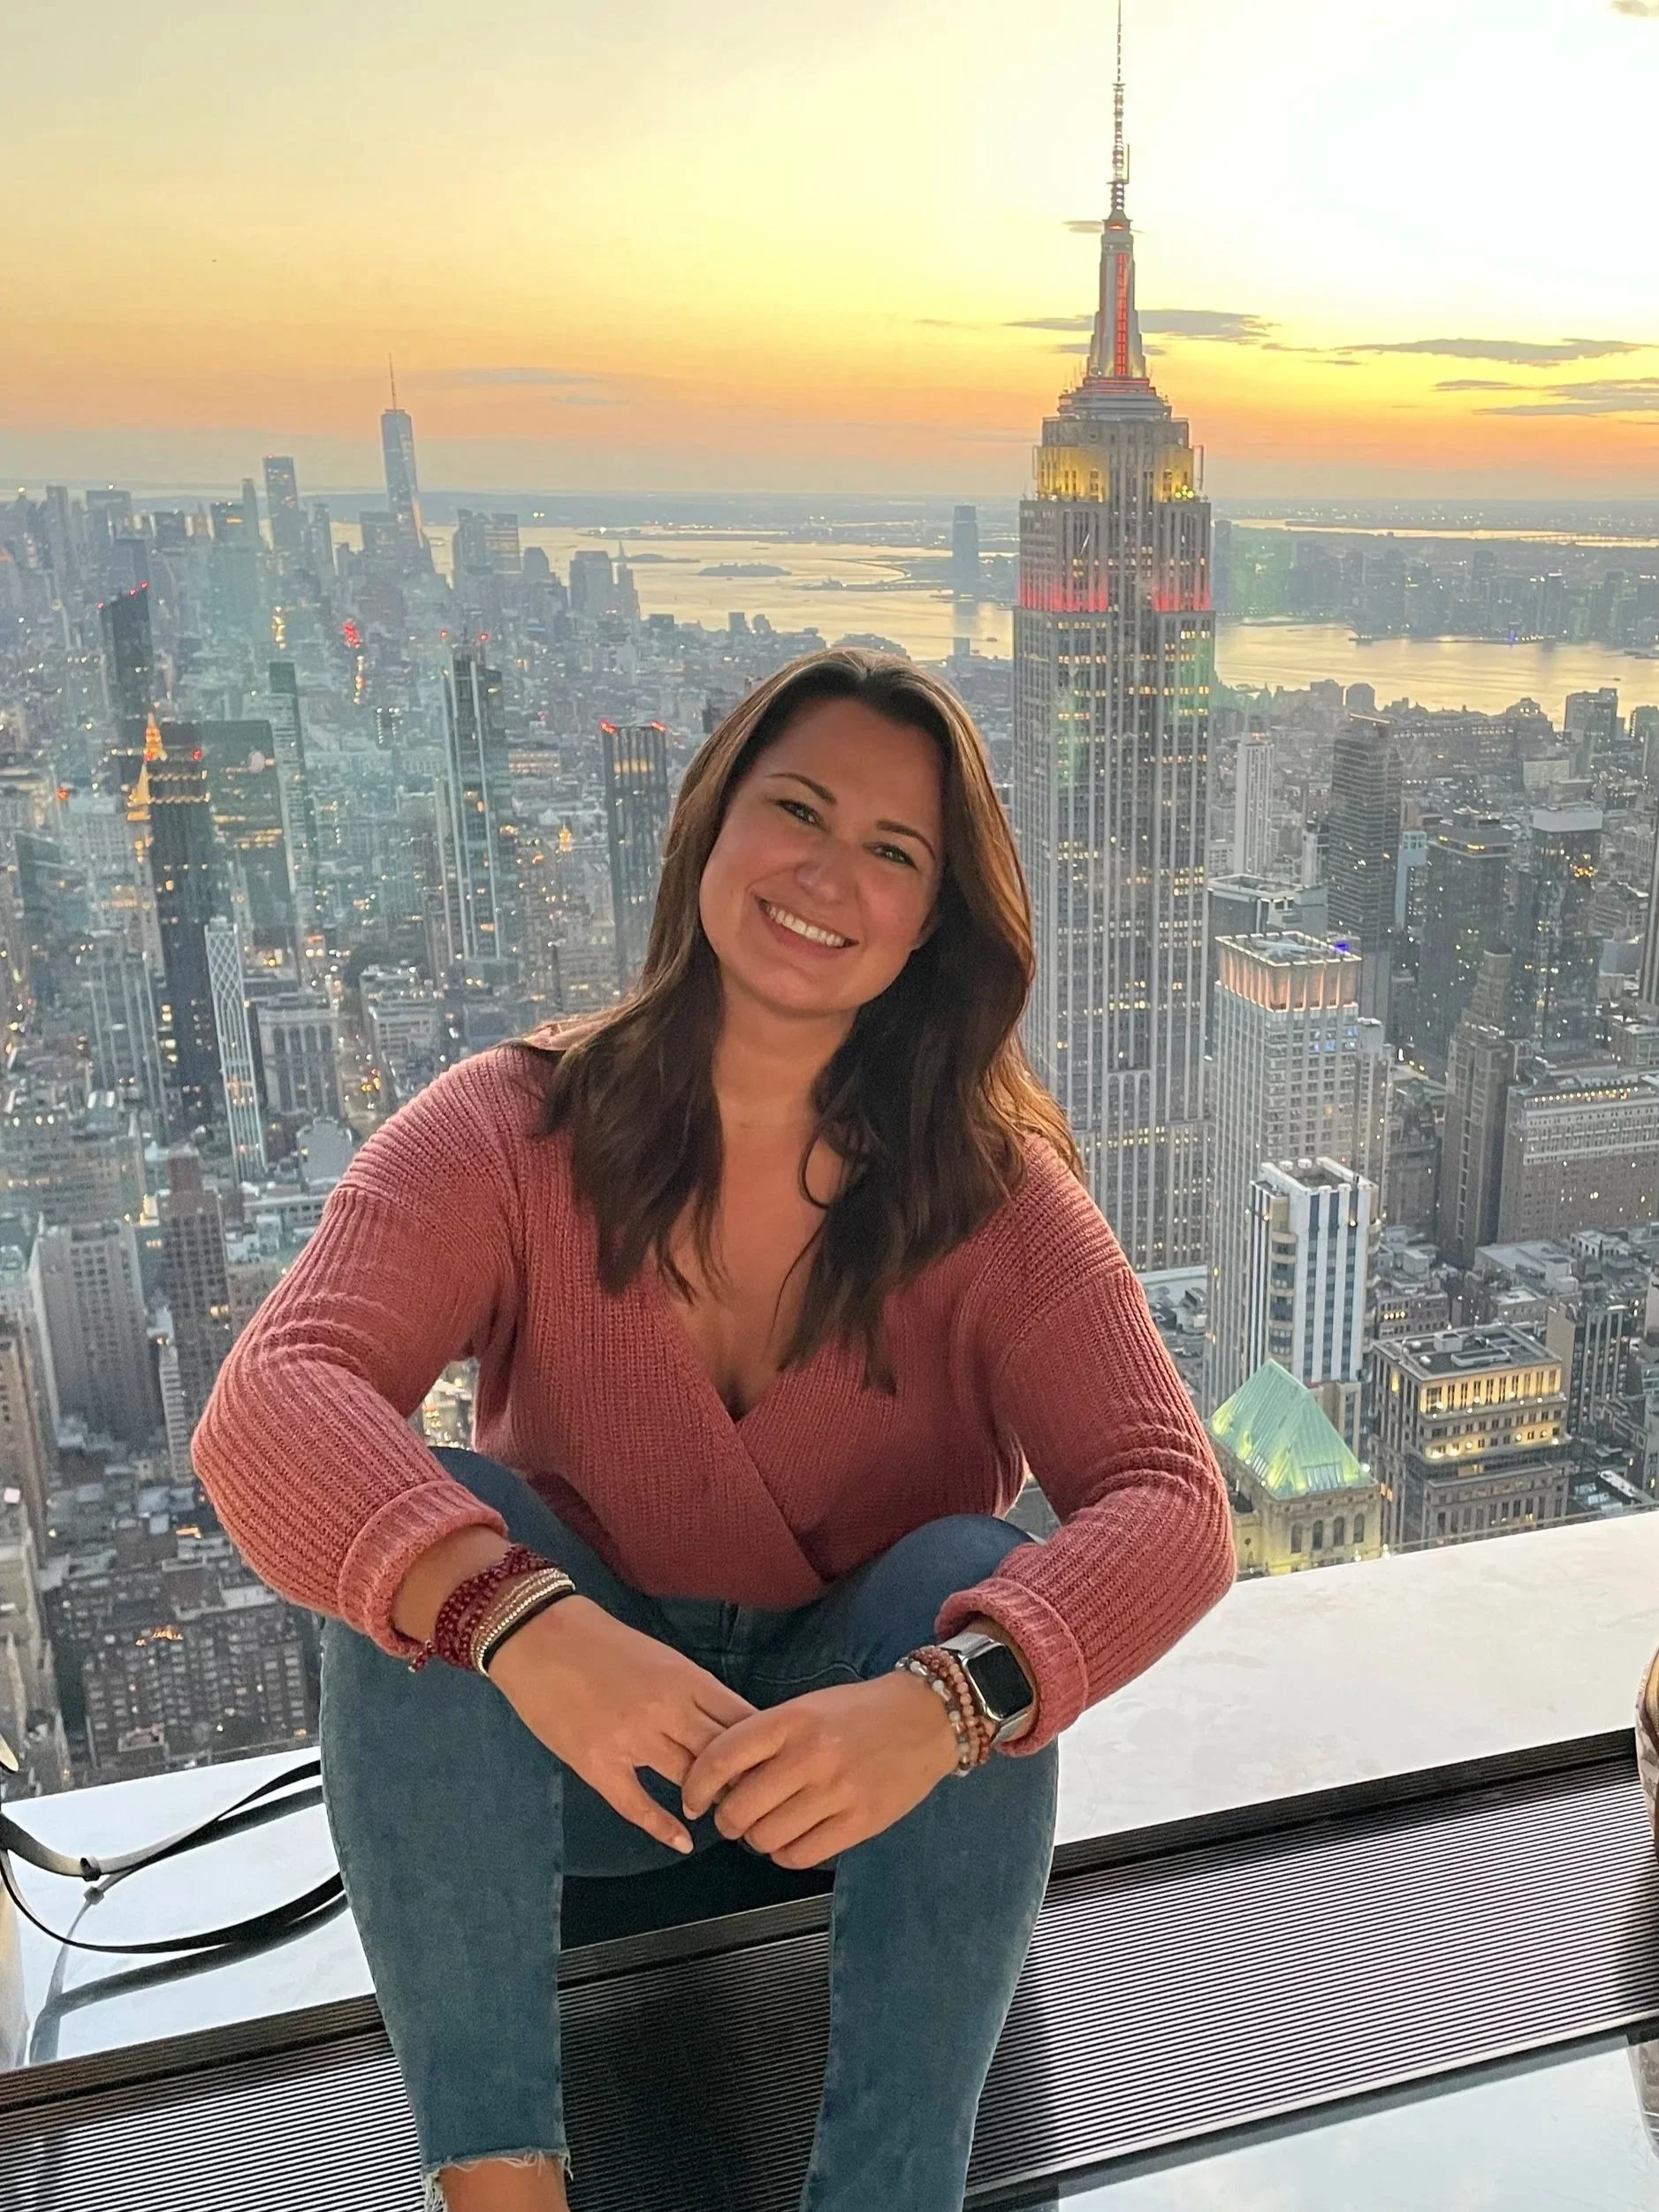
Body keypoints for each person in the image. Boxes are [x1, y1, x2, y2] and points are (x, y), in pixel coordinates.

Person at [193, 646, 1236, 2212]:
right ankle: (495, 2193)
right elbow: (275, 1397)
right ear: (707, 824)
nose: (831, 875)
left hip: (868, 1799)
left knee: (968, 1567)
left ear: (935, 925)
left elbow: (1172, 1497)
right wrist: (524, 1622)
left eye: (895, 853)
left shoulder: (998, 1197)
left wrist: (945, 1706)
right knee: (433, 1529)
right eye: (797, 810)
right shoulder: (509, 1125)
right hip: (580, 1786)